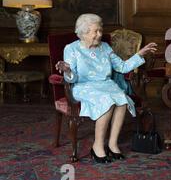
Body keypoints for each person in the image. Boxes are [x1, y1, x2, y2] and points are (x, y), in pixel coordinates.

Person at [55, 14, 158, 163]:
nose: (99, 34)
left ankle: (112, 143)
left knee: (122, 101)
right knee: (107, 101)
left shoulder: (105, 47)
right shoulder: (71, 49)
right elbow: (73, 78)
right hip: (83, 86)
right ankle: (97, 146)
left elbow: (122, 67)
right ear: (83, 33)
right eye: (95, 31)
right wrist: (67, 70)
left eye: (100, 31)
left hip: (105, 85)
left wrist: (139, 54)